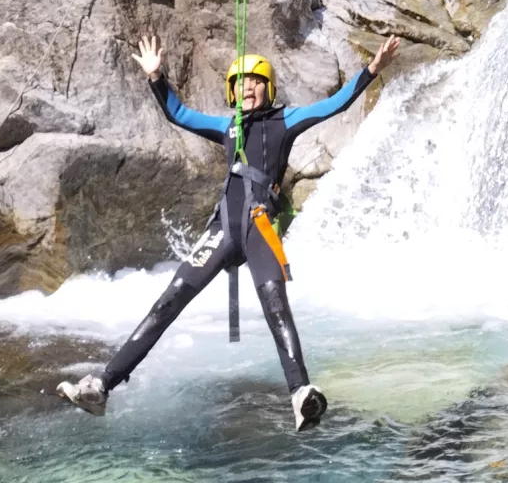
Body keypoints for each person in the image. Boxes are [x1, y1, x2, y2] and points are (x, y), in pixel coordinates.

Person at [57, 33, 401, 431]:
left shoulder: (283, 121)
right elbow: (179, 114)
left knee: (276, 307)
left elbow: (333, 105)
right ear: (232, 93)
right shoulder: (226, 126)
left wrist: (372, 70)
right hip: (222, 229)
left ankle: (301, 394)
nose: (248, 88)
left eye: (256, 82)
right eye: (241, 84)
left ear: (268, 89)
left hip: (258, 229)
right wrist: (156, 77)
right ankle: (102, 385)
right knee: (167, 303)